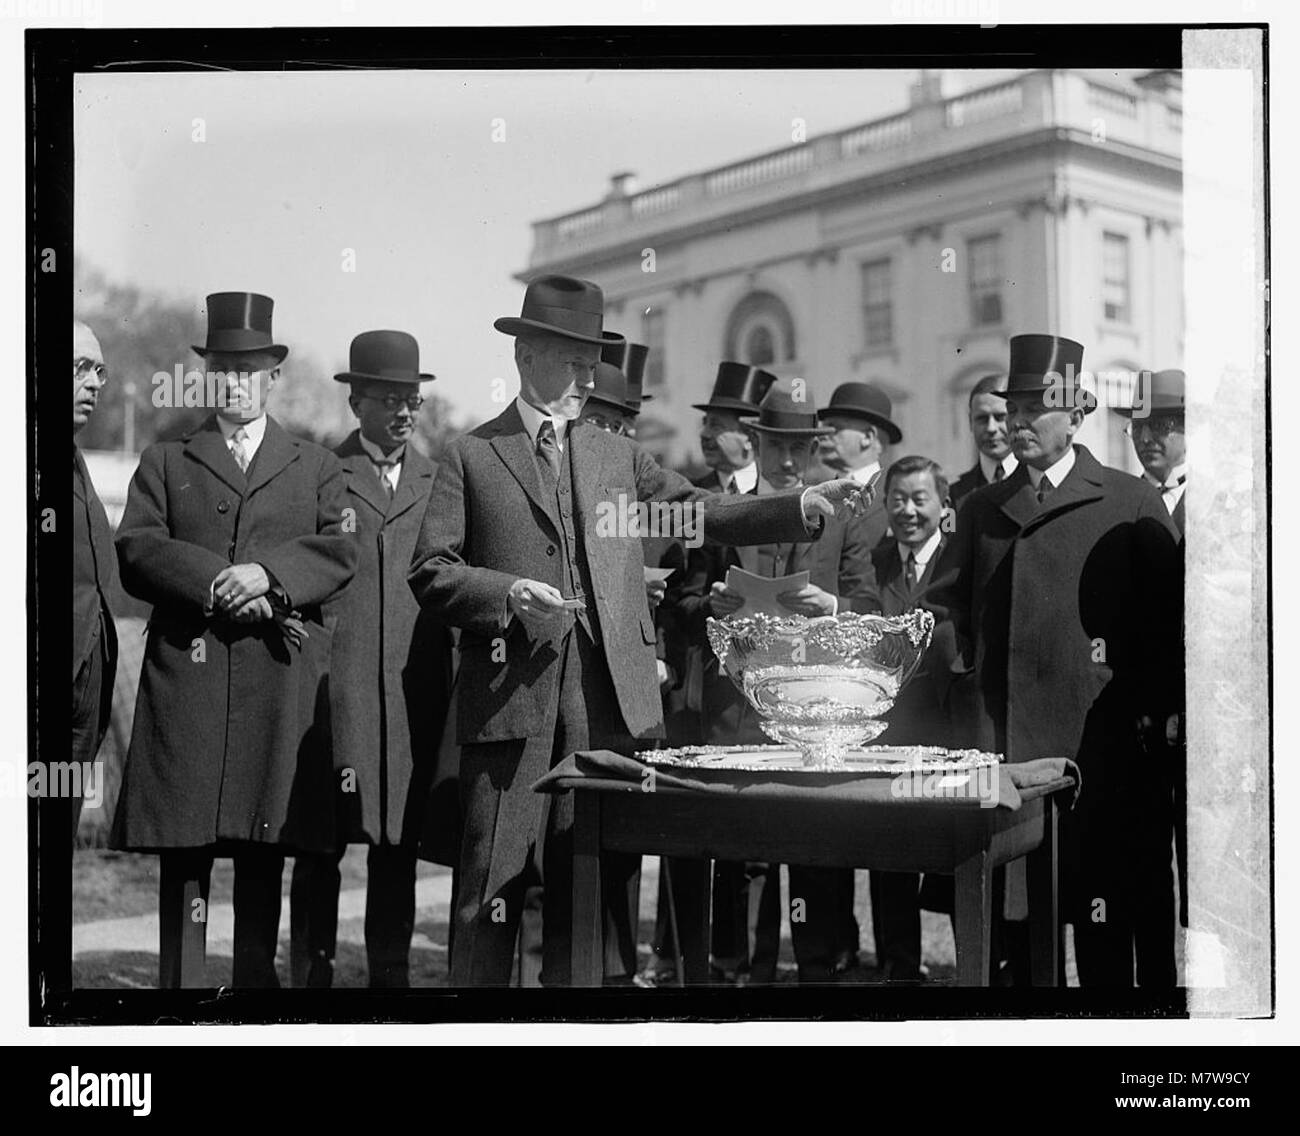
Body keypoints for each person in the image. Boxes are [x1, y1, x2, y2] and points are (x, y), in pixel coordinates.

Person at [407, 275, 869, 986]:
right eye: (570, 361)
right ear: (526, 356)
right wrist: (506, 593)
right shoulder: (472, 456)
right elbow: (432, 569)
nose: (585, 379)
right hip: (508, 711)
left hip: (605, 709)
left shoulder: (614, 456)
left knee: (587, 894)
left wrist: (797, 502)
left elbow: (700, 512)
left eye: (592, 365)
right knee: (490, 891)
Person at [113, 292, 356, 988]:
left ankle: (255, 990)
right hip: (187, 688)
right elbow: (136, 545)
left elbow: (342, 550)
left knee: (264, 849)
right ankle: (182, 992)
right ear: (206, 376)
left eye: (251, 369)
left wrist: (270, 576)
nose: (237, 382)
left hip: (275, 686)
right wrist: (219, 580)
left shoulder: (315, 465)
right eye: (223, 368)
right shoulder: (165, 459)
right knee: (186, 855)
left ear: (273, 376)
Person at [928, 334, 1182, 987]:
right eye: (1012, 409)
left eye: (1036, 407)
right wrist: (967, 690)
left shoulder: (1129, 501)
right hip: (1005, 749)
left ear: (1076, 415)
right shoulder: (979, 509)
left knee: (1101, 927)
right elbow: (942, 609)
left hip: (1100, 755)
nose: (1016, 422)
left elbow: (1165, 631)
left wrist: (1146, 722)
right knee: (1011, 938)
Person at [289, 330, 453, 988]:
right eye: (389, 397)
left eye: (412, 398)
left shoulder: (437, 480)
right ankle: (310, 977)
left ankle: (390, 976)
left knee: (397, 846)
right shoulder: (321, 475)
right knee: (322, 841)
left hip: (411, 697)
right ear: (356, 402)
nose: (405, 410)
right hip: (336, 690)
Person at [705, 379, 874, 984]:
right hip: (738, 705)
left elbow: (869, 602)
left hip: (811, 707)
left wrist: (831, 605)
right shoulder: (726, 512)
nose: (784, 459)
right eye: (774, 443)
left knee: (811, 843)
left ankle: (815, 971)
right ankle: (737, 971)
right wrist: (714, 603)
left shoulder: (844, 516)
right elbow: (685, 599)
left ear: (813, 449)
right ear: (754, 440)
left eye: (797, 448)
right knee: (741, 850)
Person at [861, 455, 956, 982]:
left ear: (943, 506)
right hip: (888, 732)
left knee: (952, 850)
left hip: (947, 728)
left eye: (920, 499)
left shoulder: (959, 560)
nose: (907, 511)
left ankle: (976, 968)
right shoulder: (872, 563)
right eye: (897, 499)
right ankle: (899, 968)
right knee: (891, 854)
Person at [57, 319, 120, 991]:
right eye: (80, 367)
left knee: (57, 833)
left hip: (84, 691)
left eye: (99, 371)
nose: (96, 383)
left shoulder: (72, 455)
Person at [1116, 368, 1187, 927]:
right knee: (1143, 855)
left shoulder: (1230, 501)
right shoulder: (1125, 502)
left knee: (1204, 856)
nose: (1149, 437)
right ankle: (1157, 985)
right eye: (1139, 425)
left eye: (1165, 424)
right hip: (1140, 716)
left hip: (1205, 717)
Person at [949, 373, 1018, 507]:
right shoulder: (953, 495)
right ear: (970, 422)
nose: (991, 428)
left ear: (1016, 418)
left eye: (1000, 417)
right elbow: (949, 529)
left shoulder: (1039, 483)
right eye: (982, 419)